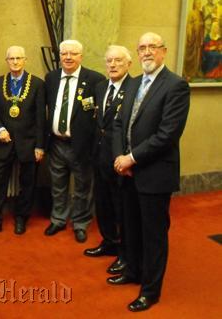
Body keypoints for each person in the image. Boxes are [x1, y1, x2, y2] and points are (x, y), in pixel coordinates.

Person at [110, 32, 190, 312]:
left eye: (152, 47)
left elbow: (167, 134)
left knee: (153, 234)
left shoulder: (176, 85)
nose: (146, 52)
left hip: (154, 173)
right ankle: (132, 271)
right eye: (141, 47)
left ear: (163, 52)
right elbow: (119, 124)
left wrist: (131, 158)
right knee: (130, 228)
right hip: (128, 171)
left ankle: (150, 290)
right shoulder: (133, 83)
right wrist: (120, 158)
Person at [0, 46, 45, 237]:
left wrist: (40, 146)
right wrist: (0, 129)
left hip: (29, 143)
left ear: (25, 60)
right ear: (7, 61)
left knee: (27, 183)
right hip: (4, 142)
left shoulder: (38, 84)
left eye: (18, 58)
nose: (15, 62)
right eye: (11, 58)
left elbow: (41, 118)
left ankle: (21, 218)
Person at [44, 39, 105, 242]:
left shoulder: (95, 79)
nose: (68, 57)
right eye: (64, 53)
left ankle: (80, 223)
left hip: (82, 145)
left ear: (81, 56)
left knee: (82, 187)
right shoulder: (51, 78)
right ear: (59, 56)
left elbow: (100, 115)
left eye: (73, 53)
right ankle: (58, 219)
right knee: (58, 185)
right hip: (56, 143)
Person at [83, 46, 132, 276]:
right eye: (109, 61)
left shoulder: (134, 88)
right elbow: (98, 123)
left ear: (129, 64)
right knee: (102, 203)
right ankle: (109, 241)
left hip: (120, 159)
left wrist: (127, 157)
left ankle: (125, 253)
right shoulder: (101, 86)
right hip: (100, 156)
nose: (112, 65)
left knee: (121, 207)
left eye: (118, 61)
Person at [183, 0, 204, 80]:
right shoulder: (191, 13)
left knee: (198, 55)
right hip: (193, 37)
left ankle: (196, 71)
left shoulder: (201, 13)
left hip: (199, 37)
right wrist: (190, 34)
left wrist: (201, 24)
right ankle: (189, 72)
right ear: (194, 4)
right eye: (197, 3)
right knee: (191, 55)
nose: (199, 4)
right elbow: (189, 25)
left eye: (200, 3)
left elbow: (202, 24)